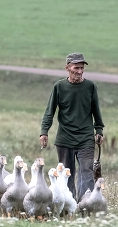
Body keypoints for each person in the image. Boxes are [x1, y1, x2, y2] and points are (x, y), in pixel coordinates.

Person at [39, 52, 105, 202]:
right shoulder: (59, 87)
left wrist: (99, 130)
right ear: (67, 68)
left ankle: (85, 204)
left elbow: (96, 110)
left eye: (82, 68)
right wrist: (44, 132)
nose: (80, 71)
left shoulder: (90, 86)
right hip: (65, 139)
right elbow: (49, 111)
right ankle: (69, 205)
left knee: (87, 171)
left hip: (86, 139)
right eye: (76, 67)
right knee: (66, 174)